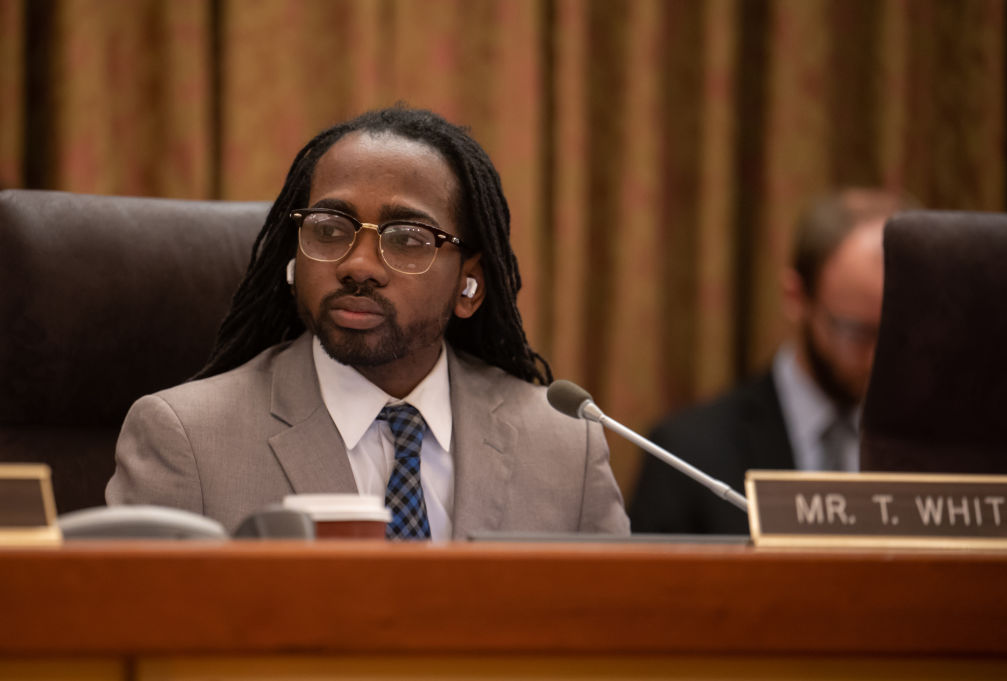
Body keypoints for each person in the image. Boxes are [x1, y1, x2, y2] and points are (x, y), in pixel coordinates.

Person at [106, 106, 629, 538]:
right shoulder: (186, 438)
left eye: (406, 238)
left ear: (469, 286)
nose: (357, 265)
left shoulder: (565, 447)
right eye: (330, 229)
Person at [629, 188, 917, 534]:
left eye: (895, 332)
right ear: (796, 297)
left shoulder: (935, 446)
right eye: (855, 332)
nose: (876, 358)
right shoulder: (686, 453)